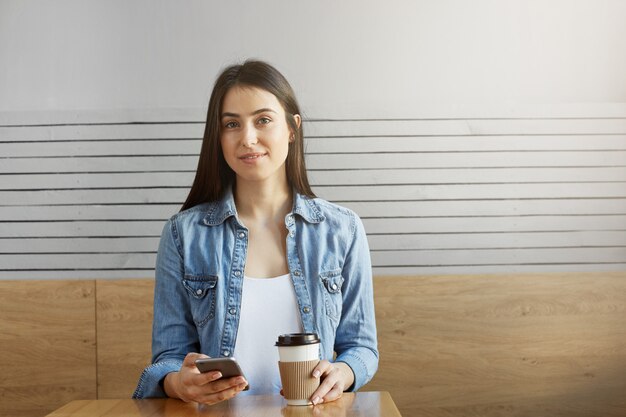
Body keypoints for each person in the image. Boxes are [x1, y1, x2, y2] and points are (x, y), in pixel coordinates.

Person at [133, 60, 378, 406]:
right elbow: (170, 359)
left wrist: (344, 372)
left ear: (292, 128)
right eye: (232, 124)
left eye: (263, 120)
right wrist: (177, 383)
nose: (248, 138)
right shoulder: (182, 235)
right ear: (217, 137)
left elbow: (362, 348)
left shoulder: (343, 230)